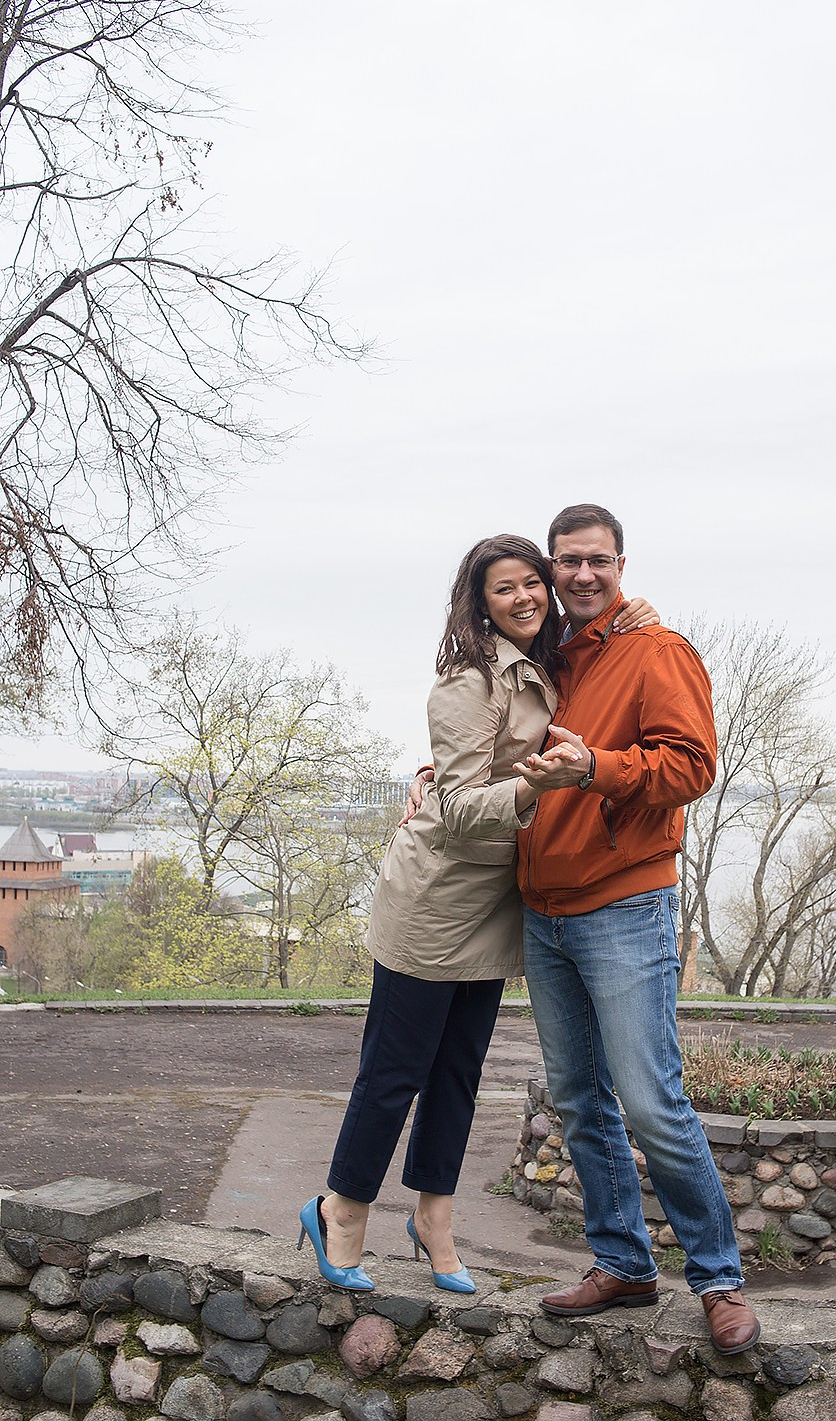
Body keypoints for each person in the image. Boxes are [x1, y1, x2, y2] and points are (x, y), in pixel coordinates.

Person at [297, 533, 656, 1294]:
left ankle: (434, 1218)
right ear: (479, 601)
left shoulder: (553, 660)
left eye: (534, 582)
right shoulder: (468, 680)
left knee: (457, 1072)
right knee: (393, 1073)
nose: (525, 597)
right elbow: (460, 810)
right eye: (505, 588)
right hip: (436, 900)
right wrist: (540, 787)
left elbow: (481, 760)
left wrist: (637, 613)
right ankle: (339, 1212)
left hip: (496, 901)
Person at [510, 503, 760, 1354]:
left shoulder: (658, 650)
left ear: (621, 564)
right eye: (567, 562)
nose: (583, 575)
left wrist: (596, 769)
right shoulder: (544, 659)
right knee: (581, 1102)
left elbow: (692, 766)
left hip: (623, 906)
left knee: (653, 1101)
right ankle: (621, 1264)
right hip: (543, 915)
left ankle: (719, 1279)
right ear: (551, 569)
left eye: (598, 561)